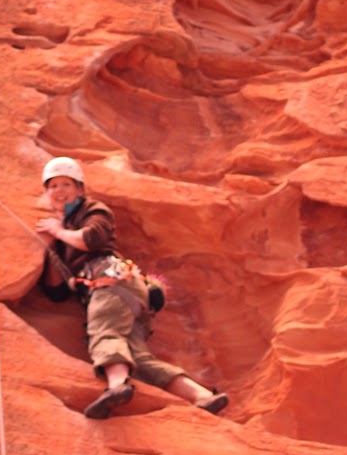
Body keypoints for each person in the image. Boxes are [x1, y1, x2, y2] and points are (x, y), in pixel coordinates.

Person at [35, 156, 229, 420]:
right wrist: (50, 247)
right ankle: (202, 396)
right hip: (124, 292)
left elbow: (93, 239)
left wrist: (57, 232)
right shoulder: (64, 231)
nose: (59, 191)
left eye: (66, 184)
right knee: (140, 359)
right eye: (53, 186)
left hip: (110, 283)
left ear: (79, 188)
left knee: (105, 333)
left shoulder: (92, 210)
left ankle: (117, 387)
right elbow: (56, 292)